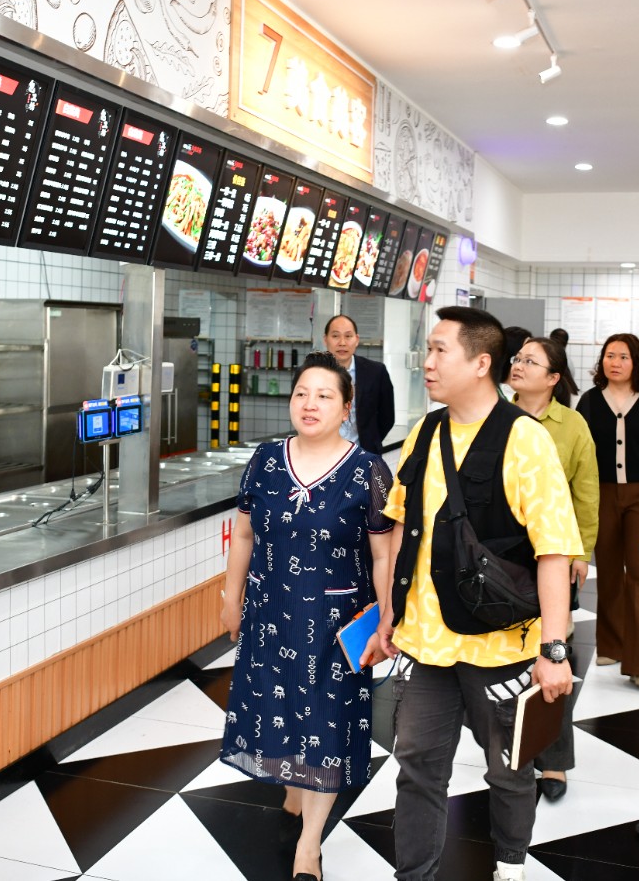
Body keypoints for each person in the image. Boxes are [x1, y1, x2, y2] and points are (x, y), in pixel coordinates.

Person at [369, 307, 583, 881]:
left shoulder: (525, 440)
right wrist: (390, 613)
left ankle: (510, 866)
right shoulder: (426, 430)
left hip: (501, 644)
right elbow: (399, 526)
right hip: (426, 644)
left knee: (510, 769)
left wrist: (554, 650)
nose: (427, 362)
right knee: (417, 767)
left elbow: (554, 552)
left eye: (440, 350)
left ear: (481, 363)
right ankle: (415, 874)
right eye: (428, 350)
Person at [219, 353, 395, 881]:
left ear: (346, 407)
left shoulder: (367, 470)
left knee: (326, 723)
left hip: (335, 622)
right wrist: (231, 597)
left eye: (324, 395)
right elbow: (244, 534)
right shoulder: (266, 459)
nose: (310, 404)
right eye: (301, 393)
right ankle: (295, 785)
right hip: (270, 611)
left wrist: (386, 617)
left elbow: (384, 554)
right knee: (279, 706)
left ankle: (309, 846)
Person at [507, 336, 600, 802]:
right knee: (504, 659)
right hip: (501, 559)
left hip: (553, 555)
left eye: (531, 361)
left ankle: (554, 760)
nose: (519, 365)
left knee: (552, 655)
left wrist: (582, 553)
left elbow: (586, 491)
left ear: (554, 378)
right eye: (517, 358)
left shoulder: (572, 425)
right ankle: (510, 753)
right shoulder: (495, 415)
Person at [576, 333, 639, 687]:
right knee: (606, 569)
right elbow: (581, 452)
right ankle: (610, 644)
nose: (615, 362)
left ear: (637, 362)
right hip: (600, 495)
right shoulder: (589, 401)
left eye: (623, 356)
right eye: (609, 355)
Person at [323, 314, 395, 453]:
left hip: (363, 453)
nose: (342, 342)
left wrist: (371, 441)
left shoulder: (376, 371)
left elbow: (387, 417)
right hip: (323, 453)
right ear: (325, 339)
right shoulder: (311, 373)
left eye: (348, 336)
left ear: (356, 340)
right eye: (335, 336)